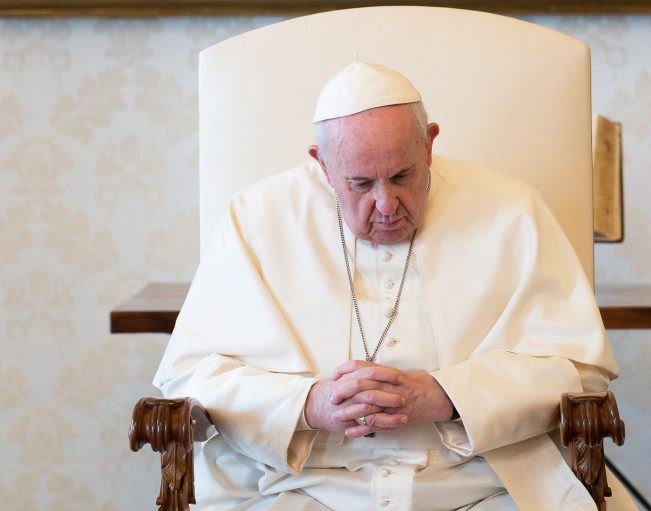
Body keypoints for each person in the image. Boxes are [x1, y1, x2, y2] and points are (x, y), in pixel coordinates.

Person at [154, 62, 620, 510]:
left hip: (484, 480)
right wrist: (307, 404)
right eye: (359, 183)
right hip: (296, 484)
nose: (385, 205)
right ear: (322, 164)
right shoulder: (255, 219)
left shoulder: (512, 210)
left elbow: (580, 373)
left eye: (403, 176)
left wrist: (447, 396)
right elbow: (189, 379)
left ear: (429, 145)